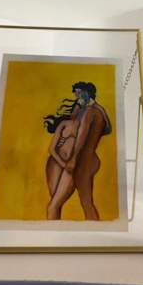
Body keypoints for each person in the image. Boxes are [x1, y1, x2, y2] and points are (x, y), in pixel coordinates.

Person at [44, 82, 111, 221]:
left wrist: (73, 158)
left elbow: (82, 135)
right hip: (83, 160)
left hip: (79, 161)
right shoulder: (97, 111)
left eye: (79, 93)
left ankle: (53, 232)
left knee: (55, 205)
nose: (77, 97)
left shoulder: (90, 112)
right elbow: (104, 130)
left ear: (87, 93)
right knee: (85, 203)